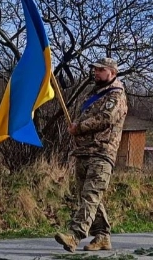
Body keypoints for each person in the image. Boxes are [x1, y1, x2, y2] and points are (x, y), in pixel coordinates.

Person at [54, 58, 128, 253]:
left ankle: (74, 235)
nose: (96, 73)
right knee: (89, 197)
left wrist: (79, 128)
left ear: (112, 72)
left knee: (90, 195)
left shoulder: (116, 95)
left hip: (102, 152)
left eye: (100, 70)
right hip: (84, 152)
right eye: (95, 70)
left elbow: (106, 118)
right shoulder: (95, 94)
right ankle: (102, 236)